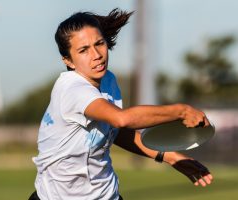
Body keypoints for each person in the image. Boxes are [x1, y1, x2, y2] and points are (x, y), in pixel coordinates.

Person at [29, 8, 213, 200]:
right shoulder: (72, 89)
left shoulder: (107, 81)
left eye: (99, 44)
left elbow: (115, 132)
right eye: (83, 50)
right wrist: (181, 111)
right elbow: (121, 120)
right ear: (68, 60)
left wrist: (171, 157)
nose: (96, 54)